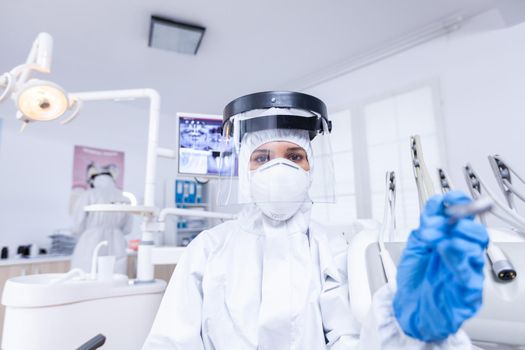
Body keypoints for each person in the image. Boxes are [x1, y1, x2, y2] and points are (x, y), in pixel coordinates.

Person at [142, 91, 488, 349]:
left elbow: (350, 339)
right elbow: (171, 342)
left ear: (311, 168)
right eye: (262, 157)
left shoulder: (333, 246)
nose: (279, 168)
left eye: (295, 156)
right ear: (245, 171)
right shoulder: (208, 249)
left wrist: (408, 332)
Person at [71, 170, 133, 274]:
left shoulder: (88, 195)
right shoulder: (124, 198)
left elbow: (77, 225)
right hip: (117, 241)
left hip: (91, 239)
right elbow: (127, 229)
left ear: (94, 180)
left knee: (87, 275)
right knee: (114, 278)